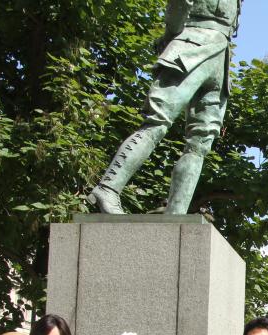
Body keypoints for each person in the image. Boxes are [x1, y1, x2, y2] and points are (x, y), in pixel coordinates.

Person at [86, 0, 243, 214]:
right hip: (192, 46)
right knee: (158, 121)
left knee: (200, 143)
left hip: (220, 57)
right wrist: (171, 36)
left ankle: (176, 214)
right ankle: (108, 188)